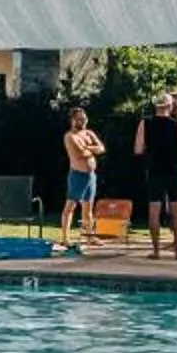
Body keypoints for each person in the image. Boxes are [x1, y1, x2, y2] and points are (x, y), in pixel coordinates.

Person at [131, 94, 177, 257]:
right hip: (173, 170)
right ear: (170, 107)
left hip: (155, 169)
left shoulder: (145, 123)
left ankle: (156, 250)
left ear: (155, 107)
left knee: (154, 208)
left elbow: (137, 149)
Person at [58, 106, 105, 248]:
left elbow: (101, 148)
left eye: (84, 118)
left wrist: (88, 147)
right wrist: (92, 148)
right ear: (73, 120)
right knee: (70, 207)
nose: (83, 121)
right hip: (77, 175)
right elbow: (80, 153)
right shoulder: (69, 136)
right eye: (80, 119)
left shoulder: (88, 133)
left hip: (90, 176)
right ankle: (65, 237)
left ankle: (90, 236)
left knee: (88, 208)